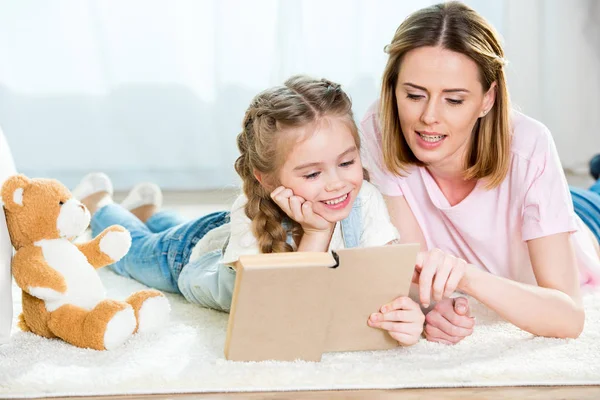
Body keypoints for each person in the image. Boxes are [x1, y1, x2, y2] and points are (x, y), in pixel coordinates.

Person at [73, 75, 425, 346]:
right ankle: (100, 204)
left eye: (347, 161)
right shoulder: (252, 210)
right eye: (313, 173)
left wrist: (408, 311)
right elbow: (286, 317)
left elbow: (386, 282)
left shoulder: (364, 199)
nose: (336, 183)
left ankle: (149, 213)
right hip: (192, 257)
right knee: (135, 253)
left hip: (218, 234)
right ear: (268, 180)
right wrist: (316, 233)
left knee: (175, 230)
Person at [360, 1, 600, 344]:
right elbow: (411, 267)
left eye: (454, 100)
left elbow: (568, 318)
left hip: (587, 224)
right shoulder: (379, 127)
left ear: (488, 98)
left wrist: (468, 278)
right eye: (414, 95)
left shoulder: (530, 144)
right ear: (393, 88)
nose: (429, 116)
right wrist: (433, 309)